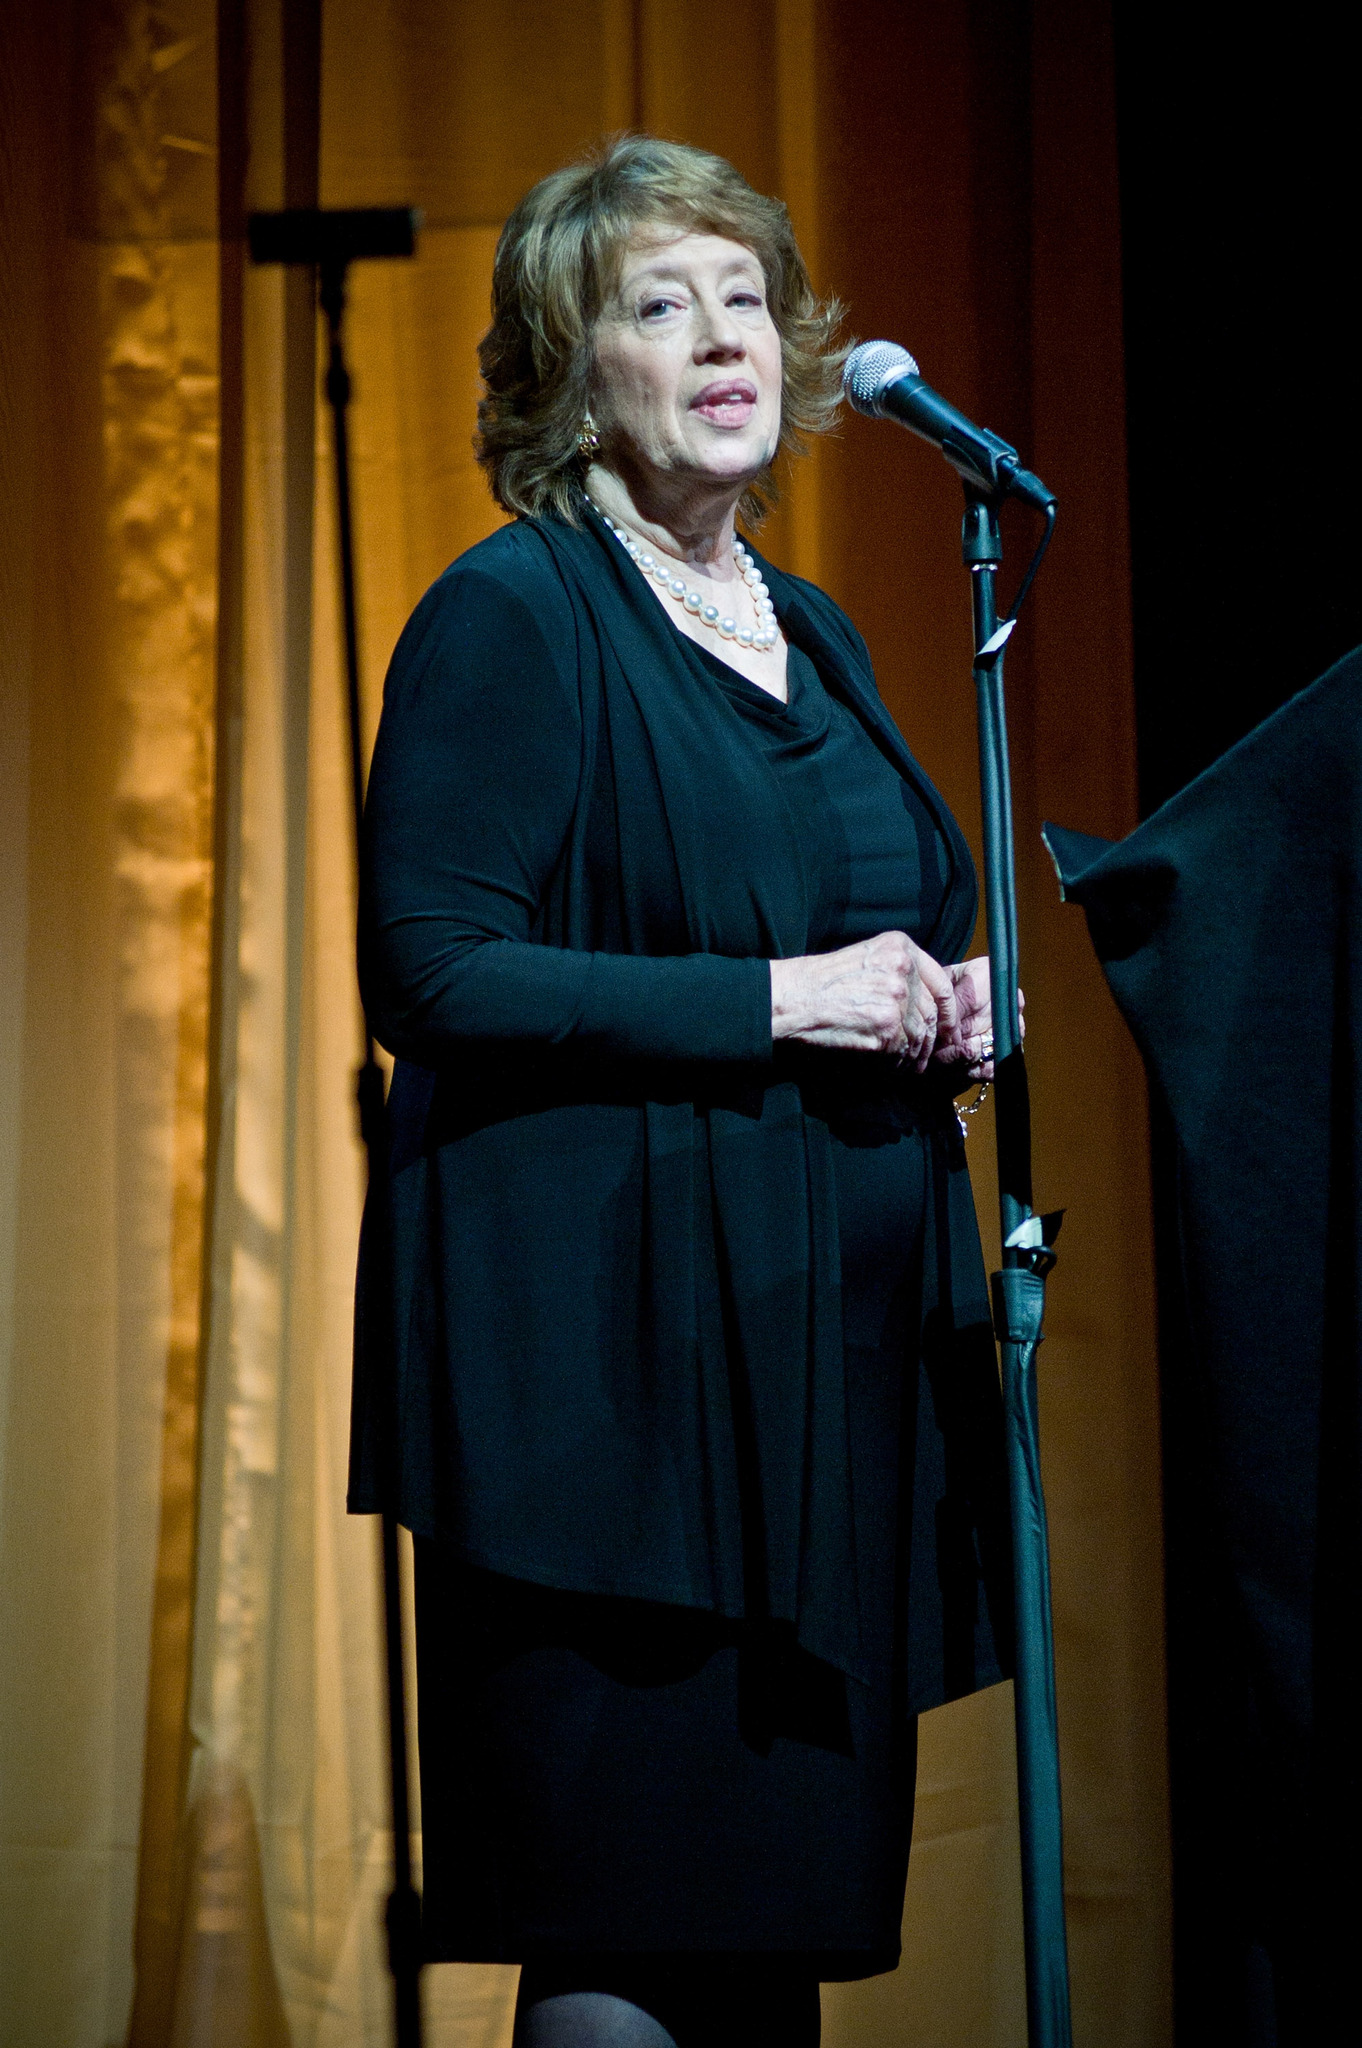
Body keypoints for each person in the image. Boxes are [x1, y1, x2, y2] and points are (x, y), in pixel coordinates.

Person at [350, 134, 1014, 2048]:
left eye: (741, 296)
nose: (720, 334)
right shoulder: (519, 610)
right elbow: (436, 972)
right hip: (615, 1401)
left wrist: (944, 1006)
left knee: (760, 1941)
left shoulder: (818, 631)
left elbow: (867, 922)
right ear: (570, 374)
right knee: (626, 1928)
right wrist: (785, 1000)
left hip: (818, 1387)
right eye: (657, 304)